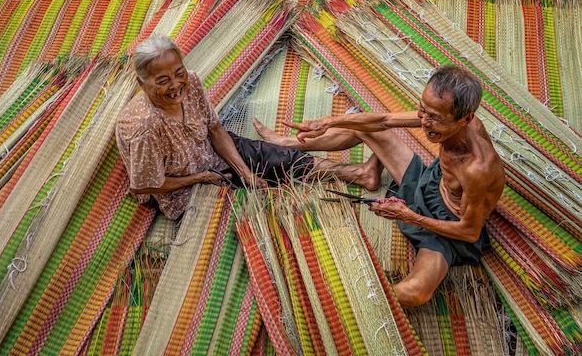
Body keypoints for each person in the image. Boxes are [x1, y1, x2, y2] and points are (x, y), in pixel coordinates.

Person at [254, 65, 506, 308]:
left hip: (448, 231)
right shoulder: (439, 116)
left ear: (466, 119)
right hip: (430, 185)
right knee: (365, 126)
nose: (425, 122)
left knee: (415, 293)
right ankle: (292, 145)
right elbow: (384, 120)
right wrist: (329, 122)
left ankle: (344, 304)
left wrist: (410, 216)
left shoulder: (477, 168)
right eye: (423, 110)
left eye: (436, 118)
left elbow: (469, 232)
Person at [115, 34, 379, 220]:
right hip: (187, 187)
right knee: (258, 207)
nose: (175, 85)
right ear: (143, 84)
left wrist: (245, 171)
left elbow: (215, 130)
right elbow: (144, 185)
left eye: (178, 72)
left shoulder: (191, 82)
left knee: (279, 159)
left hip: (212, 152)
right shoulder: (145, 127)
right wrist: (200, 178)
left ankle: (357, 173)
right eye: (163, 80)